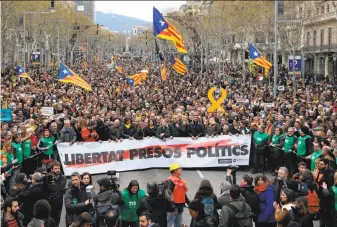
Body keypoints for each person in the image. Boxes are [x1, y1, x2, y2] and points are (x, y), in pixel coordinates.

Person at [166, 163, 188, 227]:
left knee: (178, 224)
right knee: (169, 224)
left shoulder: (179, 180)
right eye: (179, 169)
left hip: (180, 206)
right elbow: (168, 195)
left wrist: (188, 201)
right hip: (172, 208)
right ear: (175, 171)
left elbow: (182, 192)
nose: (181, 170)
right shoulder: (170, 181)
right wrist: (173, 206)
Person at [49, 161, 66, 227]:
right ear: (51, 169)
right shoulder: (48, 177)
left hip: (59, 201)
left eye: (58, 168)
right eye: (55, 168)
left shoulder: (63, 177)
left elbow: (62, 189)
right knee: (50, 219)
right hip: (50, 201)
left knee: (57, 218)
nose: (57, 170)